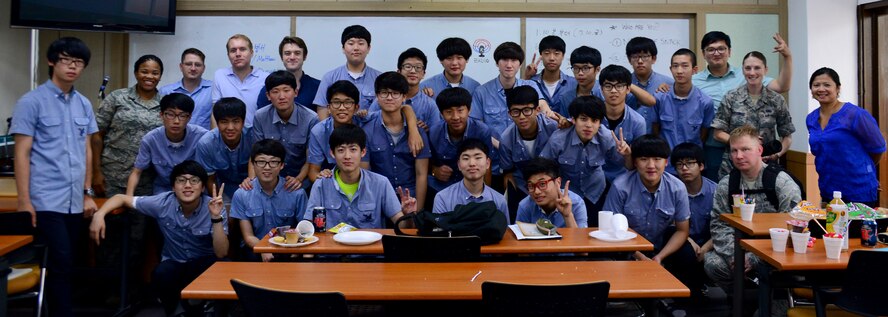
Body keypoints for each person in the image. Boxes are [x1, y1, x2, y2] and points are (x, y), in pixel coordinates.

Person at [11, 36, 96, 317]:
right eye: (66, 60)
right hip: (45, 198)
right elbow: (21, 153)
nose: (72, 67)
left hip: (74, 200)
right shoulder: (31, 102)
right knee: (61, 259)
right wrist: (24, 200)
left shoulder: (83, 103)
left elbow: (87, 149)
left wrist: (87, 193)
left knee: (68, 262)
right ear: (51, 61)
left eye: (79, 62)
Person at [89, 161, 228, 316]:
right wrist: (99, 215)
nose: (187, 185)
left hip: (203, 264)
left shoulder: (215, 206)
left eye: (194, 181)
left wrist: (216, 218)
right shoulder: (162, 202)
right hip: (176, 263)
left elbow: (221, 252)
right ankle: (175, 309)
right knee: (161, 272)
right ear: (173, 187)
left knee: (223, 265)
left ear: (202, 187)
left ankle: (207, 307)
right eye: (181, 180)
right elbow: (121, 198)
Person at [704, 125, 801, 293]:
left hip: (776, 251)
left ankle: (770, 299)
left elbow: (793, 227)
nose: (739, 156)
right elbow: (719, 226)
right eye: (734, 151)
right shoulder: (727, 184)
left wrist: (755, 258)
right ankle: (745, 298)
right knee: (713, 263)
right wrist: (736, 256)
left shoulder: (782, 182)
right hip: (739, 249)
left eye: (745, 149)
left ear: (759, 150)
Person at [603, 134, 697, 297]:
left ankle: (681, 301)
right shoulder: (620, 186)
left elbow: (682, 230)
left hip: (661, 247)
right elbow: (611, 230)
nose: (651, 165)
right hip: (626, 248)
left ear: (666, 162)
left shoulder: (677, 188)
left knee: (687, 253)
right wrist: (639, 256)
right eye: (644, 159)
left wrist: (659, 257)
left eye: (657, 159)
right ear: (635, 162)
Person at [692, 31, 792, 181]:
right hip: (717, 147)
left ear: (729, 51)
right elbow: (676, 91)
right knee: (722, 189)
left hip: (763, 158)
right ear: (703, 53)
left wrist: (787, 56)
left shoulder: (746, 74)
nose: (716, 53)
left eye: (721, 48)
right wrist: (663, 86)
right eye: (711, 49)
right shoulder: (695, 81)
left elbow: (782, 85)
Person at [304, 125, 417, 229]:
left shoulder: (381, 183)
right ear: (332, 153)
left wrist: (408, 215)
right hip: (332, 250)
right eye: (341, 150)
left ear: (363, 152)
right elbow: (309, 227)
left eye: (353, 149)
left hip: (370, 250)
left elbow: (402, 226)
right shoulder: (321, 184)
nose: (347, 156)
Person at [541, 96, 631, 220]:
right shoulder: (558, 139)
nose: (589, 125)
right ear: (573, 119)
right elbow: (544, 168)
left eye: (594, 120)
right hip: (566, 194)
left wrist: (626, 154)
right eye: (583, 119)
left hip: (595, 192)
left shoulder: (606, 137)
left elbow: (626, 165)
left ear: (600, 123)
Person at [806, 67, 886, 207]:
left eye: (827, 85)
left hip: (859, 191)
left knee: (857, 229)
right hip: (828, 190)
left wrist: (866, 171)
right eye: (816, 85)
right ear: (811, 90)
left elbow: (878, 148)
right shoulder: (811, 119)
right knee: (830, 229)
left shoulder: (855, 115)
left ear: (838, 88)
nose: (821, 89)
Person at [711, 51, 795, 178]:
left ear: (765, 70)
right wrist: (742, 143)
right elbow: (717, 133)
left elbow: (787, 136)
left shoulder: (776, 100)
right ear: (743, 70)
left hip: (766, 166)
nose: (752, 72)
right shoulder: (731, 97)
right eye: (748, 68)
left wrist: (777, 154)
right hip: (733, 166)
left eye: (757, 68)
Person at [93, 54, 165, 197]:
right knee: (108, 219)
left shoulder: (165, 103)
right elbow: (96, 136)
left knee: (140, 220)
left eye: (155, 73)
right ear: (136, 73)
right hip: (111, 177)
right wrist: (96, 172)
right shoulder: (117, 97)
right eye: (144, 71)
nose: (149, 76)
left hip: (146, 182)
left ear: (160, 76)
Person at [230, 139, 307, 262]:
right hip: (255, 248)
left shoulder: (297, 193)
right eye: (261, 162)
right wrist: (263, 248)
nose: (267, 167)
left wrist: (294, 250)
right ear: (253, 164)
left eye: (273, 162)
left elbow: (304, 229)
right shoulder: (242, 194)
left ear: (281, 165)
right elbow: (248, 236)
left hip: (288, 248)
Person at [363, 72, 431, 208]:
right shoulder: (367, 130)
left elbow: (421, 174)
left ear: (404, 97)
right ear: (377, 96)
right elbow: (365, 174)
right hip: (379, 196)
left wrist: (418, 211)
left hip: (410, 195)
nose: (389, 98)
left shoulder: (418, 132)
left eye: (395, 93)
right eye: (384, 93)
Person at [128, 93, 209, 195]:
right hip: (164, 190)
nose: (176, 121)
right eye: (170, 115)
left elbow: (212, 172)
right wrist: (128, 198)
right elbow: (137, 172)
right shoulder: (150, 139)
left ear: (189, 118)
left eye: (182, 116)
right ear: (161, 115)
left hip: (193, 190)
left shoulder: (202, 136)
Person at [251, 70, 320, 189]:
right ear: (268, 96)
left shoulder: (311, 119)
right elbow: (256, 155)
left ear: (296, 92)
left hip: (301, 182)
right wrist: (252, 182)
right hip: (269, 180)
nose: (281, 96)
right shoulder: (260, 117)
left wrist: (298, 179)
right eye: (275, 92)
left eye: (286, 90)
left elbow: (311, 159)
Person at [499, 86, 558, 219]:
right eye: (515, 112)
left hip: (552, 188)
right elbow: (507, 173)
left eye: (527, 111)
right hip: (523, 189)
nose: (521, 117)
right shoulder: (506, 139)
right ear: (509, 114)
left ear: (537, 110)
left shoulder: (553, 129)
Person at [652, 49, 715, 174]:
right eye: (675, 66)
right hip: (666, 165)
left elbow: (703, 134)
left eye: (685, 66)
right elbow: (655, 129)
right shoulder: (659, 98)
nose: (679, 71)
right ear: (671, 69)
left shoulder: (705, 102)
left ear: (694, 70)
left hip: (693, 166)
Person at [428, 87, 496, 194]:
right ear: (441, 114)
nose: (455, 117)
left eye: (460, 111)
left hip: (472, 187)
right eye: (449, 112)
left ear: (469, 110)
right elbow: (429, 163)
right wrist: (434, 171)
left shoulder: (482, 131)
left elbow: (487, 167)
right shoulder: (434, 133)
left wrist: (484, 197)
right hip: (442, 188)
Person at [671, 142, 717, 296]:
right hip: (682, 240)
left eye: (690, 163)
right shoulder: (671, 190)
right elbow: (668, 223)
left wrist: (705, 248)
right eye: (679, 164)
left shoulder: (715, 191)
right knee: (685, 252)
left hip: (710, 242)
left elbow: (723, 226)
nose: (684, 168)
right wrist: (688, 240)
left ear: (701, 166)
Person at [433, 138, 510, 223]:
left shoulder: (499, 201)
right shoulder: (443, 198)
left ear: (487, 163)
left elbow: (504, 234)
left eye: (478, 158)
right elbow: (439, 234)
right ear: (459, 165)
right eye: (466, 158)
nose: (472, 163)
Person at [313, 25, 381, 119]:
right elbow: (322, 108)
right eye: (351, 43)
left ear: (368, 48)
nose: (356, 48)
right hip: (338, 132)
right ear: (343, 48)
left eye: (361, 43)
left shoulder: (379, 78)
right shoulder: (330, 77)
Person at [598, 65, 650, 182]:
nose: (613, 91)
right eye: (608, 86)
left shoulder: (638, 122)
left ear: (628, 89)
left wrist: (627, 155)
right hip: (594, 178)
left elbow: (636, 164)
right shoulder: (592, 116)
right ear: (601, 89)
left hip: (624, 179)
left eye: (619, 86)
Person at [370, 47, 442, 131]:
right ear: (399, 71)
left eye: (418, 67)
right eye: (408, 67)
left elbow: (436, 133)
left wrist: (426, 130)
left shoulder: (430, 105)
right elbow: (370, 123)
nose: (413, 71)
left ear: (423, 74)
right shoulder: (385, 98)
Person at [195, 97, 252, 200]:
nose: (230, 127)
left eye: (236, 121)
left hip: (251, 186)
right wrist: (217, 201)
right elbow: (210, 179)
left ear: (243, 122)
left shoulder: (253, 137)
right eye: (224, 122)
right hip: (223, 188)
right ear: (217, 123)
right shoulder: (206, 143)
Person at [212, 34, 270, 128]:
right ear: (228, 55)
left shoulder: (265, 78)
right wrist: (215, 139)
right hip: (229, 136)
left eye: (242, 49)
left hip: (258, 136)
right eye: (233, 50)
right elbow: (215, 112)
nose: (238, 54)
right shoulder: (220, 75)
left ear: (251, 52)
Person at [515, 157, 587, 228]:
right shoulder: (525, 206)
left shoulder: (576, 203)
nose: (536, 192)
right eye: (531, 186)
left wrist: (568, 216)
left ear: (558, 182)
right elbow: (519, 237)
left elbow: (580, 239)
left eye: (542, 184)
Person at [624, 37, 675, 134]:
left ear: (654, 58)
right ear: (629, 59)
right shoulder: (622, 84)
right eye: (635, 56)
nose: (640, 61)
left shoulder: (668, 83)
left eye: (644, 56)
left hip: (658, 140)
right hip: (630, 139)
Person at [256, 36, 321, 111]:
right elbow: (262, 117)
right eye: (287, 53)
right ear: (281, 57)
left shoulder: (318, 87)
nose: (292, 57)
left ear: (305, 56)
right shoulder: (270, 88)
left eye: (297, 53)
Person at [160, 48, 214, 129]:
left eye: (198, 65)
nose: (193, 68)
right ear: (181, 67)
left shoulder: (213, 89)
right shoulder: (166, 91)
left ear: (203, 68)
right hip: (173, 140)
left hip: (204, 140)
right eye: (188, 64)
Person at [524, 35, 577, 117]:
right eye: (547, 53)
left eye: (556, 53)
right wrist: (526, 78)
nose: (552, 58)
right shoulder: (532, 82)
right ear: (541, 55)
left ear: (563, 56)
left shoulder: (574, 83)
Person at [558, 46, 603, 118]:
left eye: (585, 68)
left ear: (597, 69)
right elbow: (564, 125)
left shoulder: (605, 94)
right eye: (576, 68)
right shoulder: (566, 97)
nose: (580, 73)